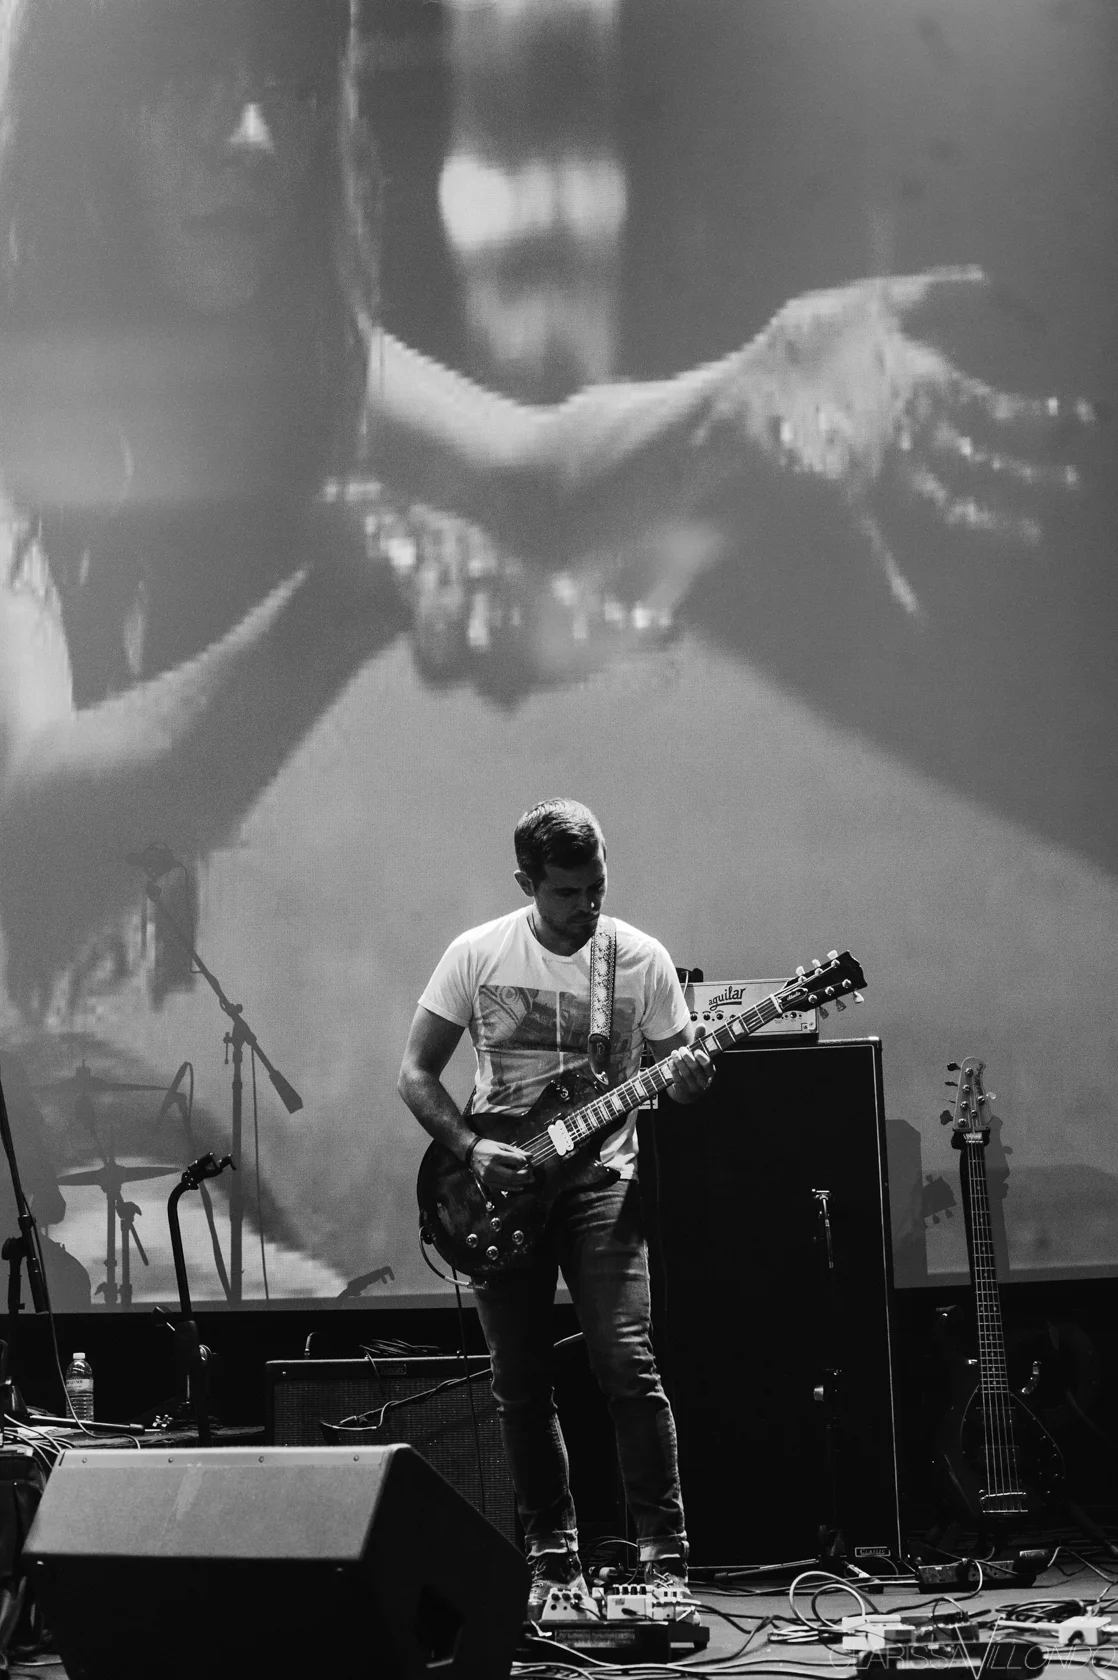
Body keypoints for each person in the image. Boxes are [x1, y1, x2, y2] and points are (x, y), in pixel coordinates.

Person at [0, 0, 1088, 1285]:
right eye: (192, 80)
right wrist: (334, 609)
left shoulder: (263, 355)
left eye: (284, 86)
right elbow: (31, 814)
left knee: (280, 1307)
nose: (251, 137)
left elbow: (533, 477)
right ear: (85, 109)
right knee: (248, 1323)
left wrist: (746, 389)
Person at [398, 798, 714, 1612]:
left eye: (597, 887)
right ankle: (552, 1560)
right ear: (527, 884)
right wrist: (471, 1148)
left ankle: (665, 1558)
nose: (588, 906)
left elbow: (681, 1078)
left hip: (603, 1183)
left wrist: (690, 1078)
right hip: (500, 1190)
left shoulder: (638, 959)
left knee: (627, 1363)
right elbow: (415, 1074)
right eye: (568, 892)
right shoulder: (477, 954)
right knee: (519, 1382)